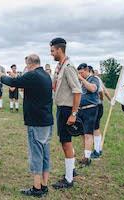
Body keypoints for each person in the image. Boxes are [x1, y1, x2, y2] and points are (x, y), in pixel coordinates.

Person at [0, 54, 53, 198]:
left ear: (29, 64)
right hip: (47, 120)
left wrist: (2, 76)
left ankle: (36, 189)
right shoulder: (46, 75)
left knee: (36, 155)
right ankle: (44, 185)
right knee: (45, 155)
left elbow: (13, 82)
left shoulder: (33, 75)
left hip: (36, 122)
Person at [50, 38, 82, 189]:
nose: (51, 54)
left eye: (52, 51)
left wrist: (73, 113)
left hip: (67, 110)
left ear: (59, 50)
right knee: (65, 142)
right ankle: (72, 170)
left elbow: (77, 91)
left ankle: (69, 179)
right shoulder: (60, 66)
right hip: (61, 108)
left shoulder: (68, 67)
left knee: (66, 143)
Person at [77, 63, 100, 167]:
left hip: (90, 109)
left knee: (88, 134)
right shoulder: (82, 81)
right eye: (79, 73)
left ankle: (87, 159)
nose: (80, 75)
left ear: (87, 70)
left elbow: (93, 89)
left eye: (82, 73)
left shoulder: (93, 79)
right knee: (83, 133)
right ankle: (86, 155)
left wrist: (81, 79)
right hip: (81, 110)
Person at [90, 68, 111, 158]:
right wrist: (110, 100)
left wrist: (100, 100)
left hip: (96, 106)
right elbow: (105, 91)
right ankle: (98, 148)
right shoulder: (97, 79)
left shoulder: (95, 79)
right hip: (97, 105)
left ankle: (97, 150)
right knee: (95, 128)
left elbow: (102, 92)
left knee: (95, 128)